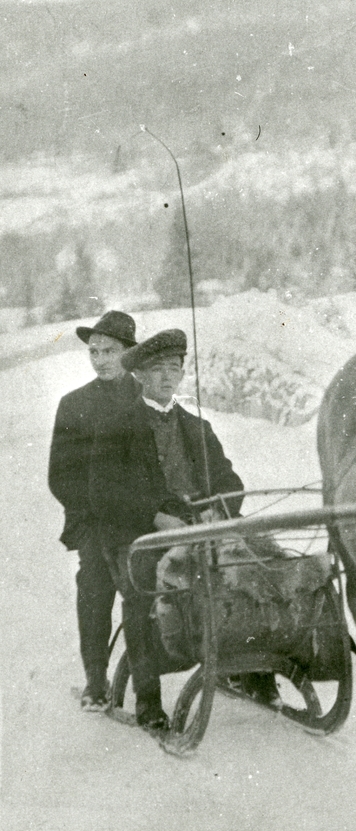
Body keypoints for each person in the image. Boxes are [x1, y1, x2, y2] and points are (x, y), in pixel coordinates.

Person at [89, 329, 244, 731]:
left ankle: (251, 671)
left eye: (173, 368)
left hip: (197, 530)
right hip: (137, 536)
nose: (167, 377)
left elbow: (231, 482)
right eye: (157, 369)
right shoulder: (116, 427)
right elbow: (104, 493)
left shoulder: (197, 428)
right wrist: (155, 517)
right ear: (139, 376)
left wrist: (218, 510)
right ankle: (149, 699)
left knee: (248, 567)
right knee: (144, 587)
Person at [48, 310, 140, 712]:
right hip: (95, 522)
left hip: (144, 518)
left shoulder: (148, 397)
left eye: (110, 351)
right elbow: (60, 476)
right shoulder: (74, 405)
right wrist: (94, 515)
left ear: (130, 354)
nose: (100, 359)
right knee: (96, 588)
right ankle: (96, 681)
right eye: (94, 351)